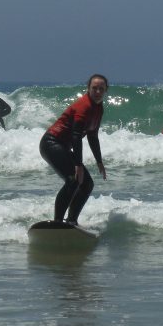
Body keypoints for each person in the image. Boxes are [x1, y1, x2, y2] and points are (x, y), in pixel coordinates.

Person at [39, 74, 108, 225]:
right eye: (94, 88)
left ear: (105, 90)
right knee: (73, 180)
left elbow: (92, 136)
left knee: (87, 184)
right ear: (88, 88)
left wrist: (99, 162)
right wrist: (78, 165)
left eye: (101, 89)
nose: (97, 91)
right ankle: (58, 222)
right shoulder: (84, 105)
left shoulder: (98, 108)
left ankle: (71, 222)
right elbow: (76, 135)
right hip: (51, 143)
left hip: (62, 146)